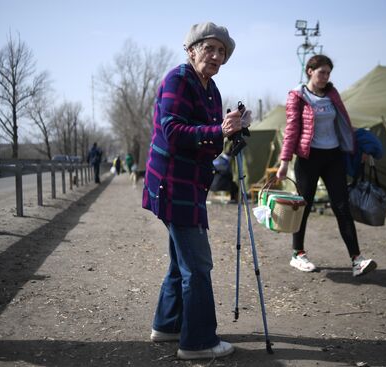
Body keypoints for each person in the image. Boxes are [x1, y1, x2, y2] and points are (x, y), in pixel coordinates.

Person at [142, 22, 244, 360]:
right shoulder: (178, 79)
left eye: (221, 51)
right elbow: (172, 131)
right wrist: (218, 129)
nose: (216, 56)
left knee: (180, 261)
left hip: (192, 183)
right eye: (209, 48)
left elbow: (209, 139)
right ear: (191, 50)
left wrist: (229, 135)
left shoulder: (212, 89)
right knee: (198, 265)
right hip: (171, 183)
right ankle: (197, 342)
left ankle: (168, 325)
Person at [276, 54, 377, 277]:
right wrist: (284, 163)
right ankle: (298, 254)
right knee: (303, 208)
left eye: (328, 73)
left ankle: (357, 260)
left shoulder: (332, 94)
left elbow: (344, 123)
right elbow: (291, 130)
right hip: (308, 158)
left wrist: (356, 149)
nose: (326, 77)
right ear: (310, 71)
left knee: (342, 207)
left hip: (334, 156)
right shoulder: (298, 96)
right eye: (322, 72)